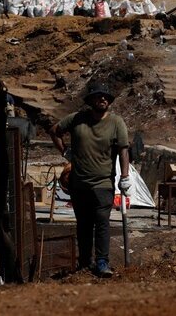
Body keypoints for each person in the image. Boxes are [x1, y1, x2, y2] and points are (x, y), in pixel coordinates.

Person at [48, 82, 131, 278]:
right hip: (79, 183)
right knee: (83, 224)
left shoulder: (116, 122)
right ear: (91, 100)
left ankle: (102, 261)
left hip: (103, 183)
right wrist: (65, 152)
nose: (102, 99)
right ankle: (85, 262)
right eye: (98, 96)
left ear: (109, 101)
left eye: (106, 97)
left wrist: (125, 176)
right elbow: (54, 131)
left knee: (102, 222)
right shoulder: (77, 119)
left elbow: (123, 150)